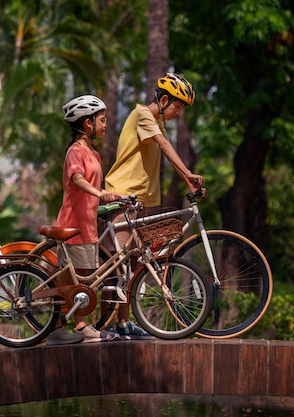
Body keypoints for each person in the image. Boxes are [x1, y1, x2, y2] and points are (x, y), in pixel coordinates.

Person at [104, 73, 203, 339]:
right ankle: (110, 324)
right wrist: (188, 174)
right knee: (121, 264)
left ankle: (123, 324)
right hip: (123, 196)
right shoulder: (143, 115)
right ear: (163, 99)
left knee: (132, 263)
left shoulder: (154, 119)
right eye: (177, 106)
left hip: (138, 200)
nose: (178, 113)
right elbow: (164, 145)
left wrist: (187, 179)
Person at [45, 95, 123, 346]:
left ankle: (69, 327)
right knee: (74, 281)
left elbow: (92, 194)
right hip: (72, 226)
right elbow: (77, 179)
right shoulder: (75, 151)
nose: (105, 124)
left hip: (88, 227)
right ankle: (75, 327)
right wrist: (100, 192)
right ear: (87, 124)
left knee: (83, 281)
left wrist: (116, 200)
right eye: (102, 120)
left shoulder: (95, 155)